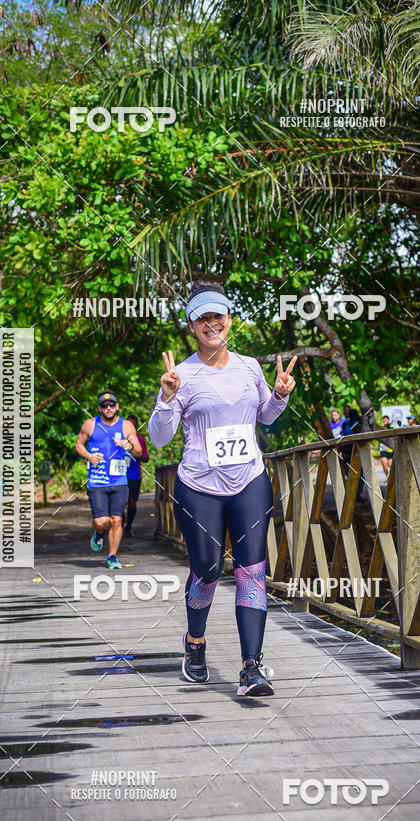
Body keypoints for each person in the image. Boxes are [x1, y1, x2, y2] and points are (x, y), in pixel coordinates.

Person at [148, 281, 297, 698]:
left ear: (229, 319)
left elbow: (265, 416)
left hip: (249, 479)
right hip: (199, 485)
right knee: (209, 569)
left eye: (219, 315)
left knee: (252, 570)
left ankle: (251, 668)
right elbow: (159, 439)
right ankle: (194, 644)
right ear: (193, 326)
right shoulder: (183, 374)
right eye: (203, 318)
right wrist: (165, 398)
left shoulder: (250, 366)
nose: (212, 323)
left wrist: (281, 395)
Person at [75, 390, 142, 569]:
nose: (108, 408)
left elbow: (139, 452)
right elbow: (78, 444)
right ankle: (98, 534)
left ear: (117, 406)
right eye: (104, 405)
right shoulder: (90, 424)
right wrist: (88, 455)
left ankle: (112, 556)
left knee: (117, 520)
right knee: (101, 521)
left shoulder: (127, 426)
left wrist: (129, 445)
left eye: (112, 404)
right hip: (97, 482)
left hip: (119, 481)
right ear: (100, 408)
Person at [122, 414, 149, 537]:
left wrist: (137, 453)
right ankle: (120, 522)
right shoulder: (118, 438)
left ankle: (128, 527)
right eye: (128, 424)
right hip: (119, 474)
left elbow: (145, 457)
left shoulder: (140, 439)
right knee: (119, 501)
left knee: (132, 502)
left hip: (134, 475)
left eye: (133, 425)